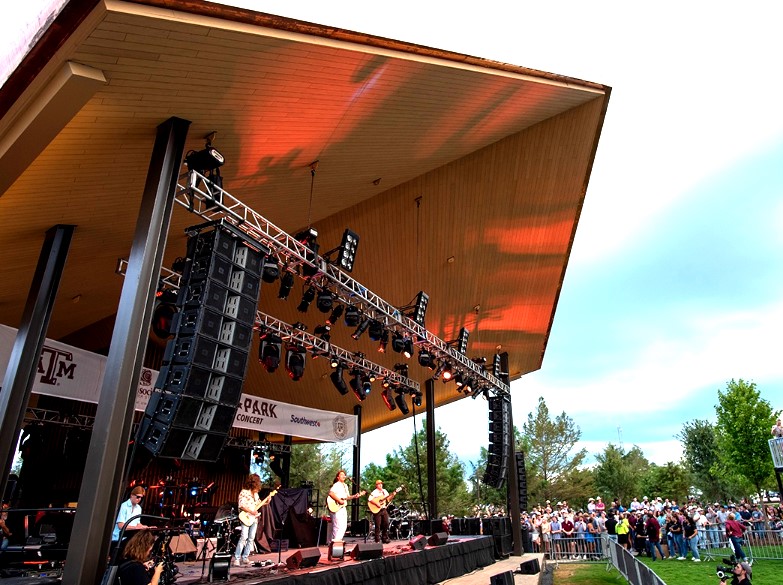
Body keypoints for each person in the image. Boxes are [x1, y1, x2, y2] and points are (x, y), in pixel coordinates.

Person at [327, 470, 365, 543]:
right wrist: (339, 500)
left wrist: (356, 496)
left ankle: (335, 542)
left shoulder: (345, 486)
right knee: (337, 526)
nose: (344, 476)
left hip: (343, 507)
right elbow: (331, 493)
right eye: (341, 474)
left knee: (343, 526)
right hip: (337, 507)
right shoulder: (337, 484)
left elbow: (347, 497)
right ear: (338, 477)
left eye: (344, 474)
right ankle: (335, 544)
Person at [234, 473, 263, 566]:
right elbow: (241, 505)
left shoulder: (256, 494)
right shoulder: (244, 492)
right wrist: (251, 511)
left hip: (254, 518)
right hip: (246, 517)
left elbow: (259, 504)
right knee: (244, 537)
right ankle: (237, 558)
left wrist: (267, 501)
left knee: (251, 538)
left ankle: (245, 557)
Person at [368, 480, 395, 544]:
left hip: (383, 509)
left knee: (386, 523)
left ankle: (384, 538)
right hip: (377, 510)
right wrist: (377, 503)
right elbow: (370, 499)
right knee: (378, 525)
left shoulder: (384, 491)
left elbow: (388, 499)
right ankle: (377, 539)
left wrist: (393, 494)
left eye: (381, 484)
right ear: (376, 485)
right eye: (379, 484)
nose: (380, 485)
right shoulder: (374, 492)